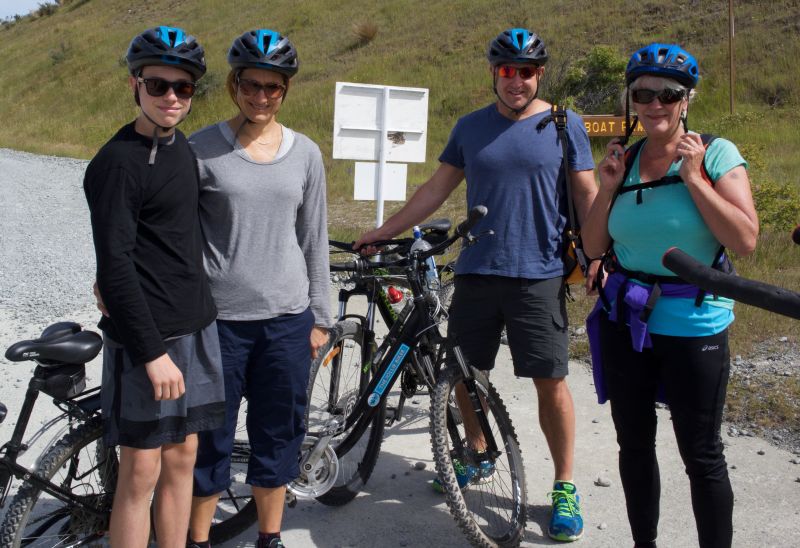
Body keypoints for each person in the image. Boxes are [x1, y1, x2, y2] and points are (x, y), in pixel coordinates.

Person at [355, 27, 597, 542]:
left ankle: (564, 485)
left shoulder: (562, 124)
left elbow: (589, 195)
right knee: (463, 376)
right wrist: (383, 232)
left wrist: (602, 256)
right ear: (493, 73)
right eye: (507, 71)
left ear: (540, 74)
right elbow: (435, 189)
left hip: (540, 274)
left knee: (550, 382)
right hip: (478, 271)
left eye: (526, 71)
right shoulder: (470, 128)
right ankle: (479, 453)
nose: (516, 81)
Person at [582, 43, 759, 548]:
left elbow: (744, 241)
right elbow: (595, 245)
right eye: (642, 92)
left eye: (667, 93)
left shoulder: (717, 153)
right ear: (631, 100)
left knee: (701, 454)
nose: (654, 103)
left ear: (687, 100)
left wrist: (695, 179)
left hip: (693, 325)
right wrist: (609, 186)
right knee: (634, 446)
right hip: (626, 322)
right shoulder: (626, 159)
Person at [186, 29, 332, 548]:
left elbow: (314, 238)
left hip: (287, 323)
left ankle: (269, 538)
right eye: (252, 85)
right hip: (217, 325)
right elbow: (173, 232)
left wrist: (321, 319)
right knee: (208, 444)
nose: (262, 96)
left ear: (285, 90)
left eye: (273, 87)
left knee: (279, 438)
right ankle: (199, 541)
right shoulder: (200, 147)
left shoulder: (306, 154)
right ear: (234, 85)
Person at [83, 26, 225, 547]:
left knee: (183, 460)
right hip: (148, 341)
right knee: (139, 474)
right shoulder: (117, 163)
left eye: (182, 88)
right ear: (134, 86)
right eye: (158, 85)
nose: (170, 97)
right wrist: (150, 353)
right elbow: (115, 265)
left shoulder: (179, 147)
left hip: (194, 328)